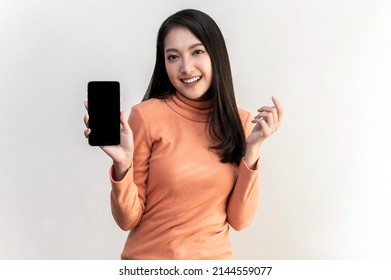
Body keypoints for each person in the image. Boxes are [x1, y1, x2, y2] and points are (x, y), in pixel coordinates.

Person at [83, 9, 283, 259]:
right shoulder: (146, 116)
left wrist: (253, 152)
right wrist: (122, 165)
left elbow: (240, 220)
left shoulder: (240, 122)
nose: (186, 68)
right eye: (173, 57)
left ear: (215, 55)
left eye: (197, 52)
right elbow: (127, 220)